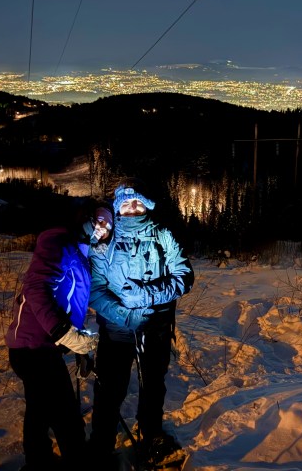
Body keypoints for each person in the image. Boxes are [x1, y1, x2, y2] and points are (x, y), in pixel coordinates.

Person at [88, 177, 194, 466]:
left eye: (137, 202)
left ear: (146, 204)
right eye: (125, 203)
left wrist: (147, 295)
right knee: (110, 387)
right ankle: (101, 444)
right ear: (117, 208)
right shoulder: (103, 244)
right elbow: (95, 290)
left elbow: (184, 277)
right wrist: (124, 314)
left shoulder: (163, 236)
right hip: (116, 331)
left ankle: (151, 435)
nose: (132, 208)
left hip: (155, 329)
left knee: (152, 386)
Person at [5, 204, 114, 470]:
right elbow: (36, 288)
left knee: (39, 411)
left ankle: (38, 461)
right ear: (86, 217)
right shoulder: (58, 241)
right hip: (34, 347)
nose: (103, 228)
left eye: (108, 227)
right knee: (66, 417)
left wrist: (80, 350)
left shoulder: (80, 251)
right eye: (100, 221)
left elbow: (72, 305)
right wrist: (63, 334)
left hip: (39, 348)